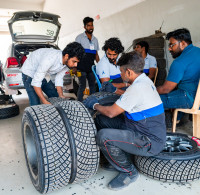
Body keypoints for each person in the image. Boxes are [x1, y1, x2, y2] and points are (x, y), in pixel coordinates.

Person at [83, 51, 166, 190]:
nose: (120, 75)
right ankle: (117, 156)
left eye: (121, 72)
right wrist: (114, 90)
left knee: (104, 136)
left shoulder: (137, 88)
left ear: (128, 72)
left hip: (148, 141)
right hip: (136, 126)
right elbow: (129, 96)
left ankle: (129, 171)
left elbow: (111, 112)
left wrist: (94, 105)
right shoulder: (144, 80)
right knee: (101, 120)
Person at [157, 28, 200, 123]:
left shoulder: (179, 62)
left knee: (152, 100)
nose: (169, 48)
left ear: (183, 44)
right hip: (198, 97)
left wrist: (151, 90)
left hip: (189, 98)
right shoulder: (198, 52)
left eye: (172, 45)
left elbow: (166, 89)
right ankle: (176, 119)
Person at [75, 17, 100, 101]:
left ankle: (92, 102)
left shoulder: (95, 40)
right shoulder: (79, 38)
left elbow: (96, 54)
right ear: (84, 27)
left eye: (92, 25)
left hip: (91, 67)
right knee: (82, 85)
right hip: (80, 67)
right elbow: (75, 53)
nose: (91, 27)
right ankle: (79, 102)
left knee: (92, 85)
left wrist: (99, 65)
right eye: (88, 25)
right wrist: (75, 67)